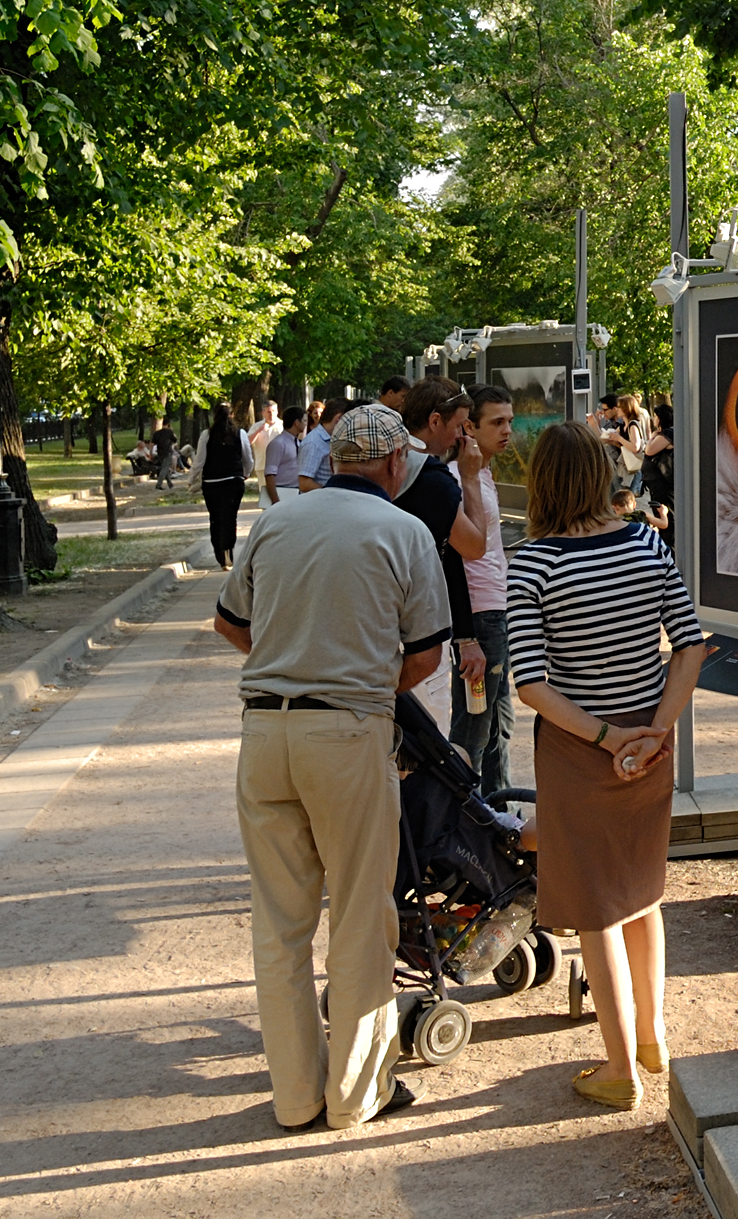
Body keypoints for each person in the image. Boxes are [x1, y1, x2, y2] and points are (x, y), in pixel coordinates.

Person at [213, 404, 447, 1133]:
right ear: (393, 465)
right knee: (357, 914)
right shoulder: (405, 531)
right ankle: (355, 1091)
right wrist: (359, 684)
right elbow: (427, 653)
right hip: (346, 731)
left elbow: (231, 620)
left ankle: (295, 1094)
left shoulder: (279, 519)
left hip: (266, 730)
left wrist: (291, 663)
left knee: (279, 923)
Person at [508, 421, 707, 1111]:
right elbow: (689, 644)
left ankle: (620, 1067)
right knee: (643, 892)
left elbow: (529, 681)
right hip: (649, 751)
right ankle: (652, 1037)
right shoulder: (646, 542)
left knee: (597, 908)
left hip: (579, 753)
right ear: (599, 477)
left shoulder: (532, 563)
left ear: (542, 484)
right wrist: (655, 729)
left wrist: (605, 735)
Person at [392, 377, 491, 721]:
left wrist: (465, 636)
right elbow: (473, 546)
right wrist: (470, 477)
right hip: (419, 631)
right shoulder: (431, 478)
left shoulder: (388, 467)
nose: (463, 437)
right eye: (460, 425)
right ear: (435, 421)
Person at [450, 385, 517, 795]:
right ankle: (466, 823)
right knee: (474, 728)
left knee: (497, 724)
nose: (507, 430)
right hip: (479, 614)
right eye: (497, 422)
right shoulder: (461, 478)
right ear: (469, 426)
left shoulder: (480, 473)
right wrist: (467, 634)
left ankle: (497, 811)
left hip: (495, 610)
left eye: (510, 421)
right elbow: (457, 555)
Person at [187, 402, 253, 569]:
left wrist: (191, 478)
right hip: (233, 480)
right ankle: (228, 550)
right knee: (231, 517)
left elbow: (199, 460)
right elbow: (248, 458)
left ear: (214, 416)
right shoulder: (240, 433)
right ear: (231, 415)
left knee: (215, 518)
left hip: (212, 483)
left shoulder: (207, 435)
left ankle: (219, 550)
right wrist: (245, 472)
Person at [297, 397, 353, 493]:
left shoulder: (329, 439)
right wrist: (333, 493)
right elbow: (304, 484)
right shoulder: (314, 442)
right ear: (338, 418)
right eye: (350, 421)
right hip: (317, 504)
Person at [640, 403, 674, 544]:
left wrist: (653, 437)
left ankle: (668, 543)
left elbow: (649, 450)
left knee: (665, 513)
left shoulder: (667, 433)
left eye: (655, 416)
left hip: (662, 483)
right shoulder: (664, 433)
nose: (653, 419)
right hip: (655, 482)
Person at [262, 411, 307, 505]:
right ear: (296, 422)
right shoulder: (278, 443)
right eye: (304, 420)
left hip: (296, 492)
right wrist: (275, 500)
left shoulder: (298, 442)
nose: (306, 424)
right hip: (282, 491)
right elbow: (270, 473)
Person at [247, 400, 283, 480]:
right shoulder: (256, 426)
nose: (271, 414)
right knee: (263, 491)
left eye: (273, 411)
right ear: (263, 413)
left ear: (277, 411)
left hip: (279, 466)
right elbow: (247, 442)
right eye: (269, 412)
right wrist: (259, 431)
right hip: (262, 466)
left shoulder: (283, 426)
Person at [151, 418, 179, 489]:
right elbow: (175, 440)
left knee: (164, 468)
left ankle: (170, 484)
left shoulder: (157, 433)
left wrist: (150, 452)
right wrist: (172, 431)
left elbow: (152, 443)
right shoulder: (169, 432)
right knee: (165, 468)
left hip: (160, 453)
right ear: (168, 424)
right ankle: (159, 484)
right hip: (168, 452)